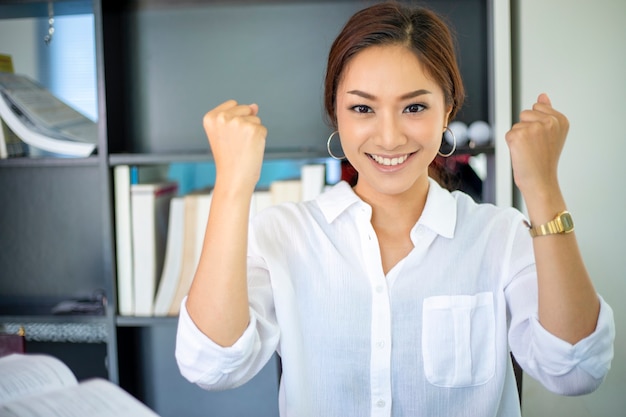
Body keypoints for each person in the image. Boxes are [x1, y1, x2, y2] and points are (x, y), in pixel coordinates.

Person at [175, 2, 615, 416]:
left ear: (448, 113)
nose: (388, 138)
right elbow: (211, 365)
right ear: (336, 113)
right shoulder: (282, 234)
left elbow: (575, 370)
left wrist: (542, 187)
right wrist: (233, 182)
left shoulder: (500, 236)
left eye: (415, 107)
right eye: (363, 107)